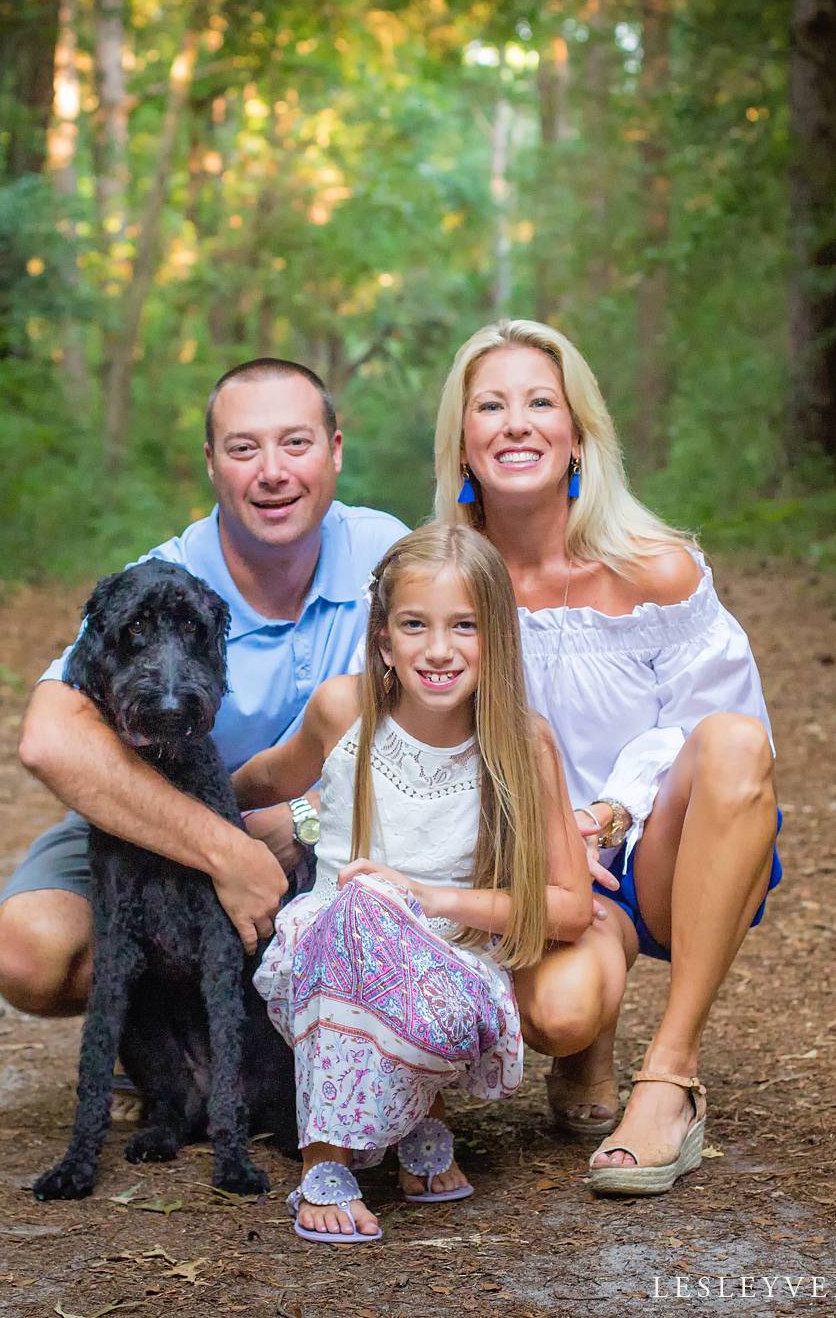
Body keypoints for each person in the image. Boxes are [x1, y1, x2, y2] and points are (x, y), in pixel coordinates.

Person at [430, 319, 782, 1196]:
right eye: (491, 406)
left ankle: (670, 1078)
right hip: (535, 869)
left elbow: (715, 733)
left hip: (651, 849)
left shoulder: (657, 571)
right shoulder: (442, 585)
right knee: (558, 1012)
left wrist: (609, 811)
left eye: (540, 402)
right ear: (464, 446)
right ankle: (587, 1041)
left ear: (578, 433)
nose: (517, 423)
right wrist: (546, 839)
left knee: (736, 745)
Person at [0, 358, 407, 1019]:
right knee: (29, 951)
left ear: (335, 451)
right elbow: (48, 739)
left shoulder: (387, 557)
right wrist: (225, 850)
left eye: (296, 442)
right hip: (164, 833)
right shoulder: (162, 583)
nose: (272, 470)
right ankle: (157, 1034)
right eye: (244, 448)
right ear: (212, 463)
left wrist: (304, 819)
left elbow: (454, 720)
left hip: (341, 835)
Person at [234, 523, 597, 1241]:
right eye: (415, 625)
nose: (438, 649)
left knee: (385, 906)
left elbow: (569, 909)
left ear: (498, 635)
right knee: (359, 906)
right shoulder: (346, 710)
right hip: (322, 965)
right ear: (383, 639)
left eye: (464, 625)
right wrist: (214, 816)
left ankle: (421, 1113)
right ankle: (325, 1161)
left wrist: (427, 897)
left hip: (451, 977)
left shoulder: (523, 742)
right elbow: (263, 778)